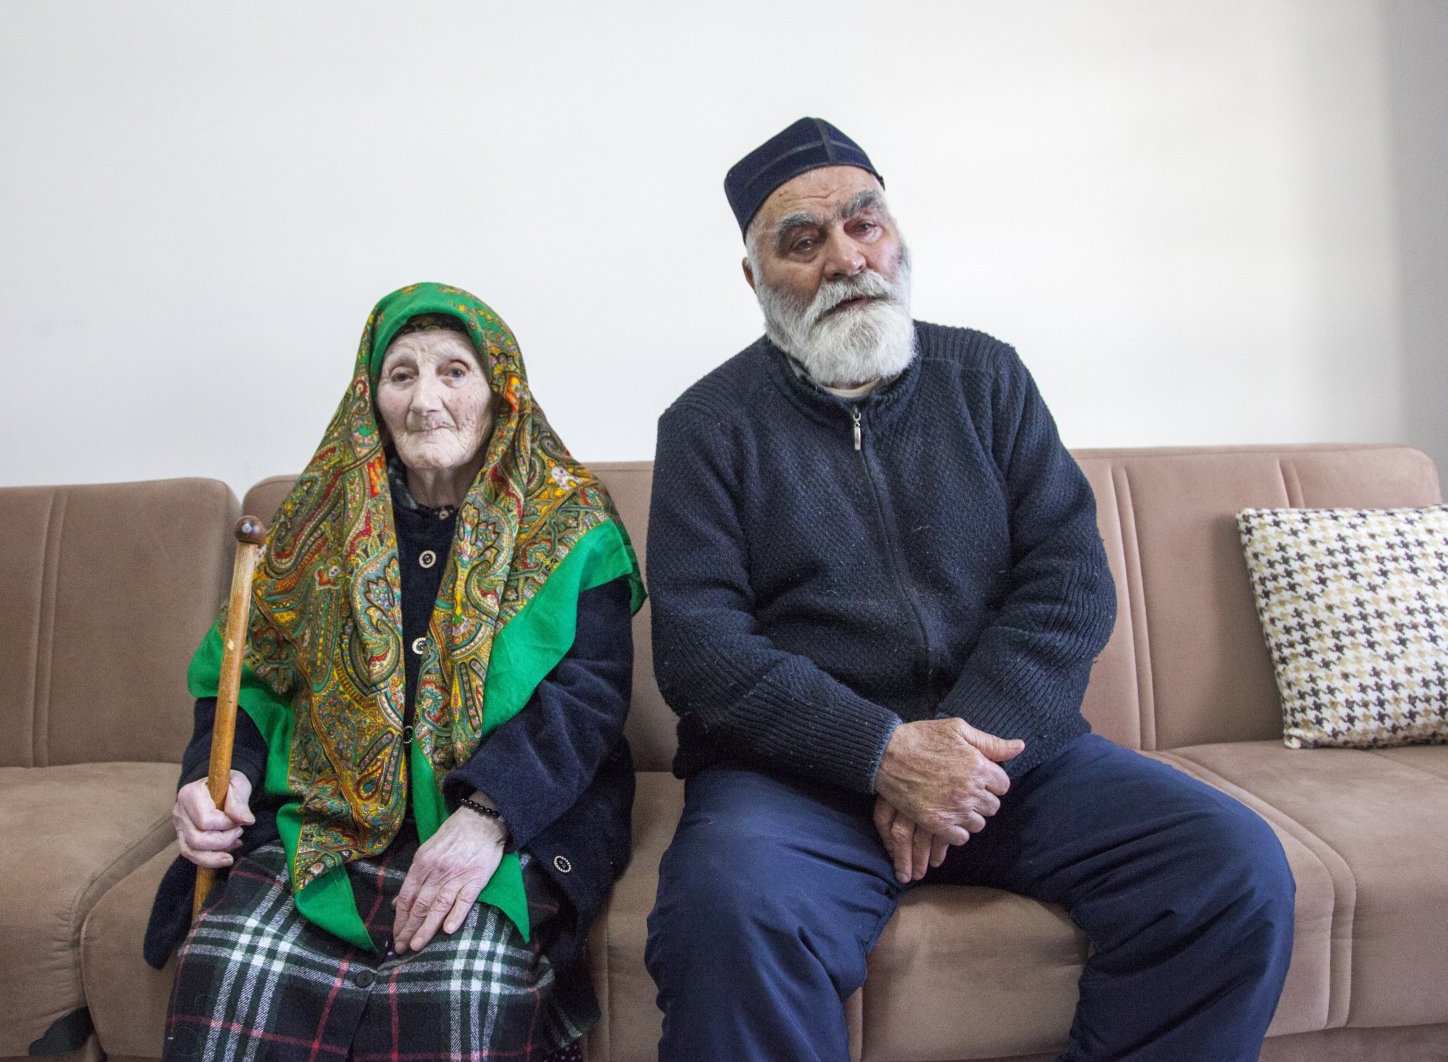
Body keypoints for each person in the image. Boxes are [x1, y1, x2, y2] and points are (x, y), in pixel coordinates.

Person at [643, 118, 1296, 1061]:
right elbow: (702, 649)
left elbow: (1067, 582)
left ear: (897, 237)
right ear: (754, 280)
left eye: (864, 225)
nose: (845, 259)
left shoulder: (985, 376)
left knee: (1228, 868)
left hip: (1013, 760)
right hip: (796, 782)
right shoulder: (707, 425)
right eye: (802, 240)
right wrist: (882, 754)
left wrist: (960, 759)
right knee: (729, 916)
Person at [144, 282, 644, 1062]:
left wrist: (487, 817)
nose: (426, 400)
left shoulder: (570, 521)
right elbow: (247, 676)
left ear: (500, 391)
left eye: (454, 371)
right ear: (370, 396)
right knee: (231, 968)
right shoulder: (320, 515)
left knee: (464, 994)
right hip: (332, 817)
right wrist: (226, 777)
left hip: (508, 819)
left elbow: (587, 699)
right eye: (401, 374)